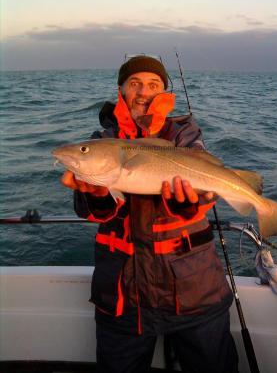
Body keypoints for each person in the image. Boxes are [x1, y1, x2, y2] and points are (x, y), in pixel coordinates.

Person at [61, 55, 238, 373]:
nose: (144, 91)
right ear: (121, 90)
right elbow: (85, 209)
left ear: (164, 92)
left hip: (195, 289)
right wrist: (98, 197)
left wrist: (188, 205)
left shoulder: (185, 137)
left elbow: (207, 193)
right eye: (135, 83)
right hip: (121, 295)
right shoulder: (102, 142)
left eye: (153, 84)